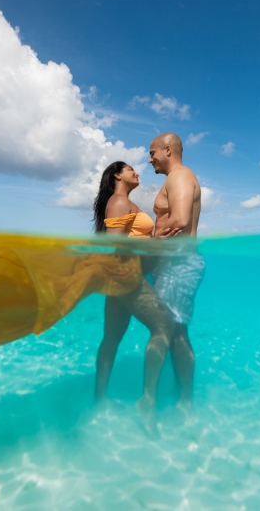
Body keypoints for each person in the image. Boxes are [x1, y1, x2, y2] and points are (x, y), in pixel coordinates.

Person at [92, 160, 177, 429]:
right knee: (165, 325)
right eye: (130, 169)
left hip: (119, 277)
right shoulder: (118, 201)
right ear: (117, 175)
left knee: (111, 338)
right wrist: (154, 243)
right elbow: (116, 244)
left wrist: (152, 242)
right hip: (126, 275)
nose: (136, 172)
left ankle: (99, 398)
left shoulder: (123, 202)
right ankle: (147, 399)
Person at [148, 132, 204, 410]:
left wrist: (152, 238)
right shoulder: (179, 177)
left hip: (179, 265)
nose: (150, 159)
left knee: (174, 332)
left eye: (152, 152)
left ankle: (185, 400)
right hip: (174, 265)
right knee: (172, 331)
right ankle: (180, 390)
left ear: (167, 150)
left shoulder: (179, 176)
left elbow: (181, 219)